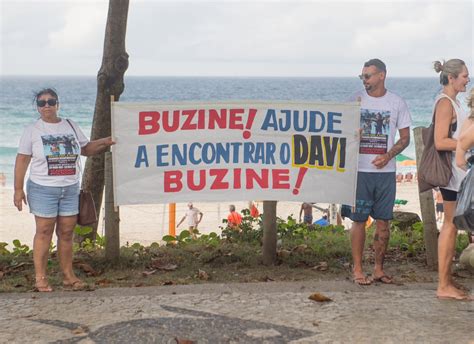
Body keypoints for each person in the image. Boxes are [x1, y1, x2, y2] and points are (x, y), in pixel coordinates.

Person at [14, 88, 115, 292]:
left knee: (67, 233)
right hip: (43, 189)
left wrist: (106, 142)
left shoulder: (70, 125)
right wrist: (17, 189)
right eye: (42, 103)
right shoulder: (32, 130)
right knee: (44, 232)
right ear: (37, 107)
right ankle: (40, 278)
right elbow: (23, 159)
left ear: (58, 104)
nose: (47, 105)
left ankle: (69, 277)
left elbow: (86, 149)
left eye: (51, 101)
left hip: (69, 189)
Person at [347, 59, 412, 285]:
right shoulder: (355, 100)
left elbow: (405, 139)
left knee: (384, 222)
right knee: (358, 220)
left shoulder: (396, 103)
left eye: (368, 76)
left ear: (382, 75)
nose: (364, 81)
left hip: (385, 174)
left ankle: (378, 269)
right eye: (362, 77)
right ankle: (357, 269)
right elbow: (340, 131)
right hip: (359, 171)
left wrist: (388, 156)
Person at [430, 59, 471, 300]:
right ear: (452, 78)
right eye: (465, 76)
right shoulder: (445, 103)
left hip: (460, 175)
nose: (468, 79)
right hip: (453, 176)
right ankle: (443, 285)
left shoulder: (454, 101)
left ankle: (447, 282)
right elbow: (440, 141)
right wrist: (467, 145)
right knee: (449, 225)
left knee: (453, 225)